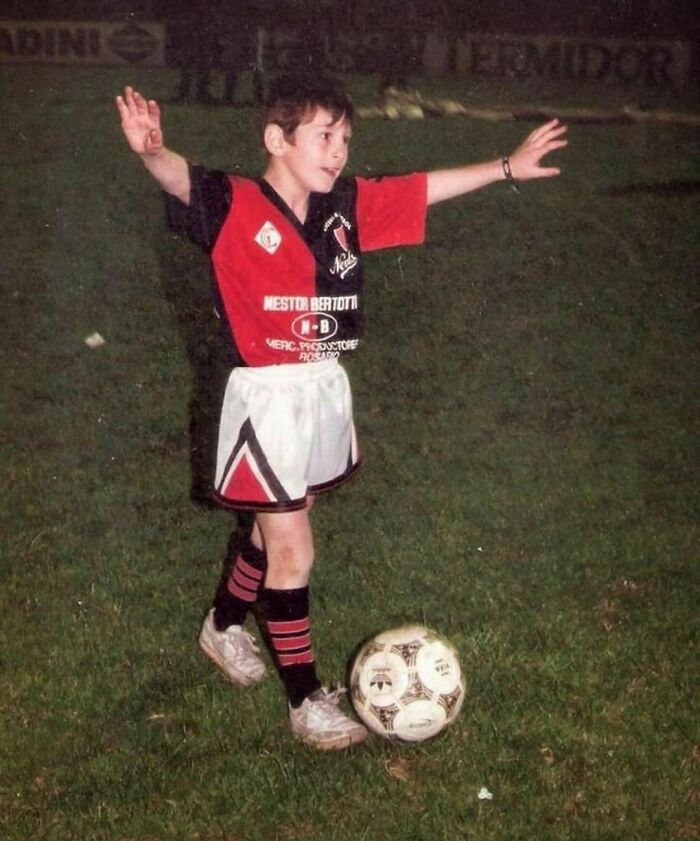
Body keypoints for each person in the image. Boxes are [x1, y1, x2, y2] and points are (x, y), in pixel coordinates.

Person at [115, 74, 567, 750]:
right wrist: (152, 151)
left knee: (274, 532)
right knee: (293, 548)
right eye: (324, 136)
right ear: (277, 139)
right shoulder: (233, 202)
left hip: (322, 387)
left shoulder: (344, 207)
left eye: (345, 139)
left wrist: (506, 166)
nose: (337, 152)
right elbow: (180, 179)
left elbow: (422, 189)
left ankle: (222, 625)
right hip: (266, 395)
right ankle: (306, 703)